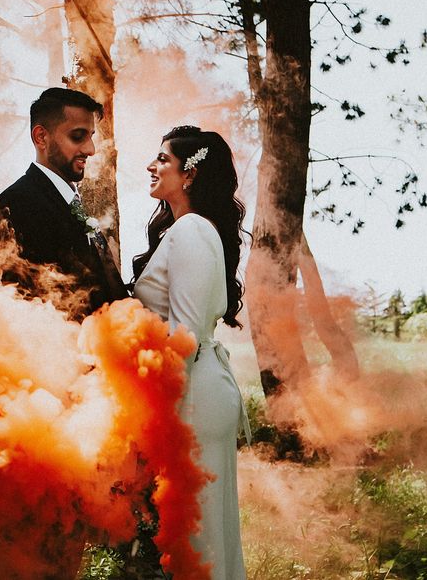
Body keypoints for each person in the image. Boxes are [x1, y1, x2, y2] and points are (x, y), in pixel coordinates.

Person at [0, 87, 128, 580]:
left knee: (64, 552)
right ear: (40, 136)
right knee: (29, 551)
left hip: (82, 409)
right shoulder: (15, 206)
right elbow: (16, 314)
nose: (90, 149)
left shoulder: (71, 204)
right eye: (78, 136)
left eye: (92, 137)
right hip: (44, 412)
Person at [132, 125, 251, 580]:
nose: (152, 165)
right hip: (197, 388)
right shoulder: (185, 230)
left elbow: (182, 337)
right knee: (202, 537)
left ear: (190, 174)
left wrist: (155, 416)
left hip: (193, 397)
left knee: (197, 541)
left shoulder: (194, 231)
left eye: (162, 159)